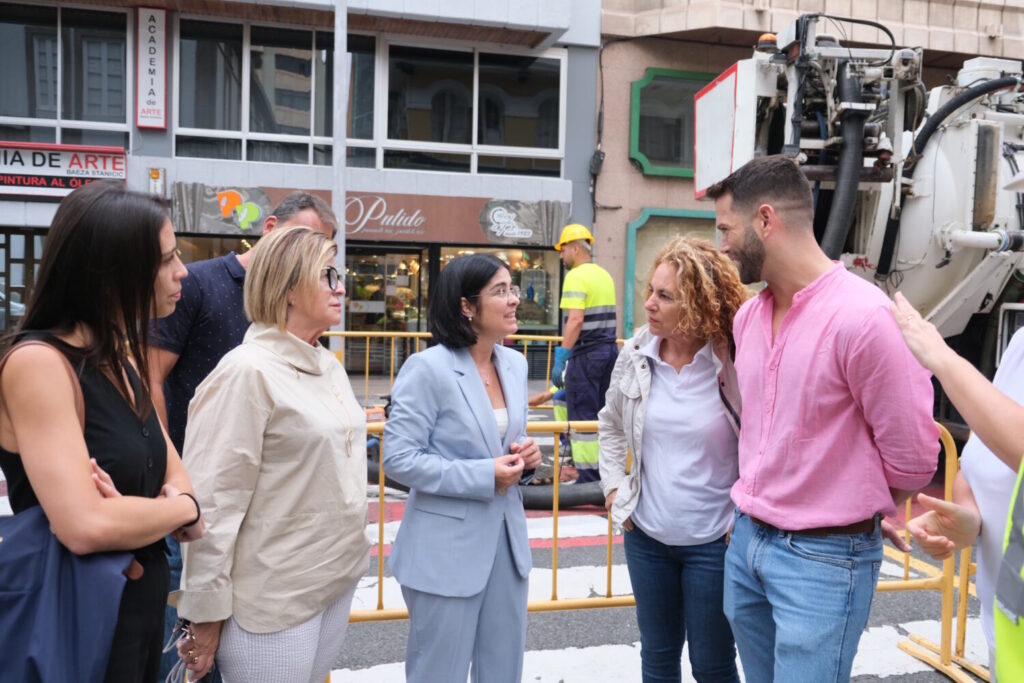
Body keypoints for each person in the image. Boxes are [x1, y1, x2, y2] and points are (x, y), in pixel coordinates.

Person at [706, 155, 939, 682]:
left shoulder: (865, 318)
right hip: (747, 543)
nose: (721, 245)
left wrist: (854, 509)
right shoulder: (748, 317)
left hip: (824, 559)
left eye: (726, 229)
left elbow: (914, 458)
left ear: (766, 220)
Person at [0, 180, 203, 683]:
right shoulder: (38, 364)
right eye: (166, 259)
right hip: (76, 622)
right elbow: (85, 525)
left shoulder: (119, 357)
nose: (181, 271)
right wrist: (178, 509)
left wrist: (146, 511)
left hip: (136, 616)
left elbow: (181, 482)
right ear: (113, 275)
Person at [150, 191, 337, 679]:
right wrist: (173, 475)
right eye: (307, 246)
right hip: (199, 501)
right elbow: (152, 381)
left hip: (293, 547)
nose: (335, 283)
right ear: (271, 231)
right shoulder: (200, 288)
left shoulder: (319, 351)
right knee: (190, 651)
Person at [175, 226, 369, 683]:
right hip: (272, 597)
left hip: (334, 576)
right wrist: (204, 611)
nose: (341, 287)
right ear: (288, 287)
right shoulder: (245, 372)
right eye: (327, 275)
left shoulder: (327, 364)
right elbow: (214, 502)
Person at [383, 254, 543, 683]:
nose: (514, 300)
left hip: (506, 547)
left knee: (502, 672)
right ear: (466, 306)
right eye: (500, 291)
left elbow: (503, 446)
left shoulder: (514, 364)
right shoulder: (428, 368)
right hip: (444, 553)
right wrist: (485, 475)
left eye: (512, 288)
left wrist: (526, 460)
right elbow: (398, 458)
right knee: (439, 673)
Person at [598, 236, 746, 683]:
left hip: (714, 543)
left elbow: (763, 441)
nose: (649, 303)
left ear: (698, 305)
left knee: (712, 664)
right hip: (647, 538)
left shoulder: (733, 361)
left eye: (665, 296)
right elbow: (610, 423)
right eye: (651, 291)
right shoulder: (636, 353)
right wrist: (613, 488)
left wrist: (742, 513)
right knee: (658, 658)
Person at [892, 292, 1024, 681]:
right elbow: (979, 462)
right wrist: (971, 520)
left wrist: (942, 358)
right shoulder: (1020, 344)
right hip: (1007, 626)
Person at [552, 223, 618, 483]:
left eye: (563, 249)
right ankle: (602, 471)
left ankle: (589, 479)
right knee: (599, 414)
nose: (561, 256)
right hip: (608, 352)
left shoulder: (575, 276)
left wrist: (562, 355)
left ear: (575, 248)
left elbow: (576, 320)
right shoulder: (604, 275)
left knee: (582, 417)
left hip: (586, 354)